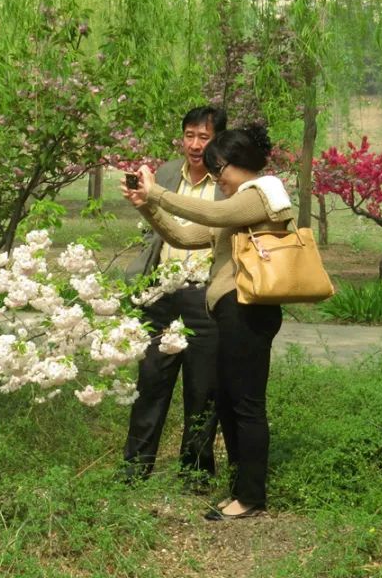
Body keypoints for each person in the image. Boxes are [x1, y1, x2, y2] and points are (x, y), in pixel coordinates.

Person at [123, 124, 292, 521]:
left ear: (240, 164)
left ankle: (250, 497)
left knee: (247, 405)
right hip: (232, 311)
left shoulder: (261, 195)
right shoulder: (238, 206)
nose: (218, 179)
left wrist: (159, 192)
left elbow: (213, 211)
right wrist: (146, 205)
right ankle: (241, 492)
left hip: (248, 309)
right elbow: (182, 236)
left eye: (221, 170)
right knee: (231, 403)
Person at [121, 106, 227, 487]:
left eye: (204, 137)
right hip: (161, 292)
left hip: (204, 293)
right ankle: (134, 469)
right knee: (150, 381)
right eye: (189, 135)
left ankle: (195, 472)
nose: (195, 145)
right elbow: (154, 226)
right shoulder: (165, 174)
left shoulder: (227, 183)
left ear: (219, 141)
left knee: (203, 388)